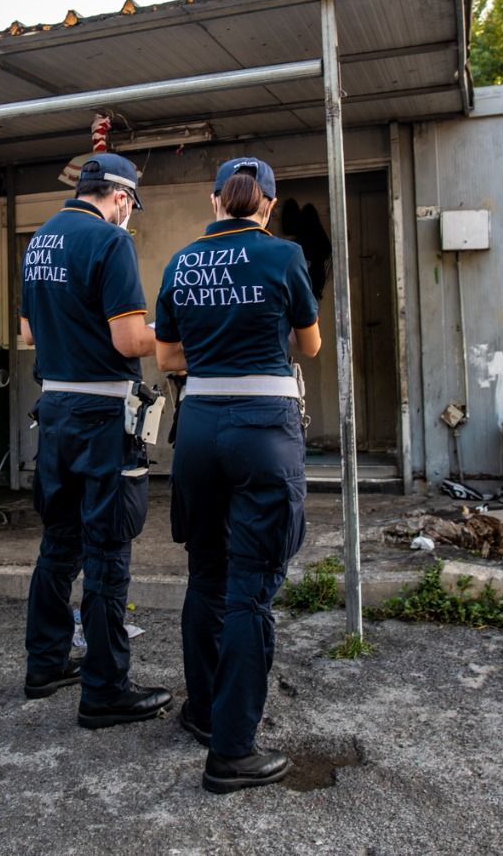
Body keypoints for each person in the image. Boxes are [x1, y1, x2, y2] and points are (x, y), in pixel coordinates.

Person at [154, 157, 321, 793]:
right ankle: (232, 750)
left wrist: (212, 345)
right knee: (250, 590)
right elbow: (309, 344)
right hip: (263, 428)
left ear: (215, 200)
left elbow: (167, 357)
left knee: (206, 573)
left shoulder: (181, 261)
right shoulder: (284, 256)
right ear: (267, 205)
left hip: (199, 425)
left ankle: (204, 711)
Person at [18, 152, 173, 729]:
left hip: (55, 410)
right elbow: (129, 340)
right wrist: (171, 331)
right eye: (130, 205)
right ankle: (106, 689)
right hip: (105, 413)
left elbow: (29, 332)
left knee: (59, 545)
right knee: (108, 551)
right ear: (122, 198)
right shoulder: (111, 242)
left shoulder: (38, 241)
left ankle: (45, 664)